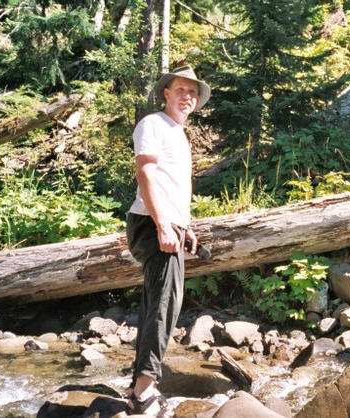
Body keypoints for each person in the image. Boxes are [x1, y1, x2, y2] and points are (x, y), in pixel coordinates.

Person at [124, 65, 211, 416]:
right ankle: (144, 391)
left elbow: (171, 185)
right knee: (165, 304)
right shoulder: (153, 124)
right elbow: (145, 172)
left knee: (155, 304)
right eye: (181, 90)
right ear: (166, 93)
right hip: (150, 222)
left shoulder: (178, 132)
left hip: (167, 223)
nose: (187, 97)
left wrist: (183, 225)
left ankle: (137, 386)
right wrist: (162, 224)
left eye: (192, 92)